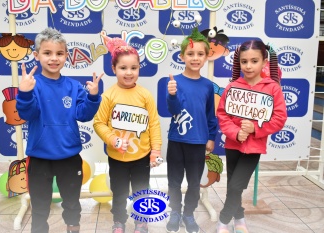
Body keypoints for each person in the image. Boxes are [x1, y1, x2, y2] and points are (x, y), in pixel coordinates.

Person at [16, 27, 103, 233]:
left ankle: (73, 229)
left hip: (69, 157)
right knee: (39, 207)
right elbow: (26, 113)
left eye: (59, 53)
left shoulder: (73, 87)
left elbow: (84, 115)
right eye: (47, 53)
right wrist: (25, 94)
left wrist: (92, 97)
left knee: (72, 203)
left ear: (66, 56)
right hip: (39, 158)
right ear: (36, 56)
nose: (53, 58)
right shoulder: (32, 85)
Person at [93, 34, 162, 233]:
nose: (129, 72)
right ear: (114, 69)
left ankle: (141, 222)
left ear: (139, 68)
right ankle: (119, 221)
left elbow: (154, 124)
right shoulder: (109, 96)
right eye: (123, 68)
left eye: (134, 68)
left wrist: (155, 150)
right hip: (117, 158)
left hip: (142, 157)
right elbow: (98, 123)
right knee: (119, 192)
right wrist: (112, 139)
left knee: (141, 191)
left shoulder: (145, 95)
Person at [216, 40, 287, 233]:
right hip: (232, 145)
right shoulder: (232, 87)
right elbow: (222, 114)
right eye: (244, 61)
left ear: (264, 62)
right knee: (233, 185)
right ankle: (239, 218)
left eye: (254, 61)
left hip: (254, 148)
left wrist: (255, 128)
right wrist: (235, 132)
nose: (248, 66)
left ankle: (223, 220)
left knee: (236, 186)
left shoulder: (272, 88)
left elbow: (279, 118)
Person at [166, 27, 217, 233]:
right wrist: (172, 95)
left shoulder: (207, 86)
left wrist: (211, 137)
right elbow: (173, 110)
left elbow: (210, 115)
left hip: (198, 142)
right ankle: (175, 212)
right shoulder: (174, 81)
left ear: (206, 57)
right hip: (177, 141)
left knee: (195, 183)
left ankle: (188, 214)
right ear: (182, 56)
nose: (195, 58)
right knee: (174, 181)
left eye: (200, 54)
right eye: (190, 54)